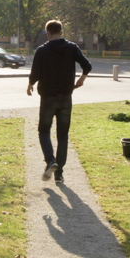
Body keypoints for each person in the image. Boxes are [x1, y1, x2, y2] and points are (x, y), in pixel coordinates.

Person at [27, 20, 91, 183]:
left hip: (47, 97)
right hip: (66, 97)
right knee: (63, 135)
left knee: (44, 131)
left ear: (47, 33)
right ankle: (59, 174)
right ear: (61, 32)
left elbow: (35, 72)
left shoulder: (42, 50)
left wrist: (30, 84)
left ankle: (51, 161)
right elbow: (87, 66)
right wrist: (81, 79)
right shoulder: (72, 48)